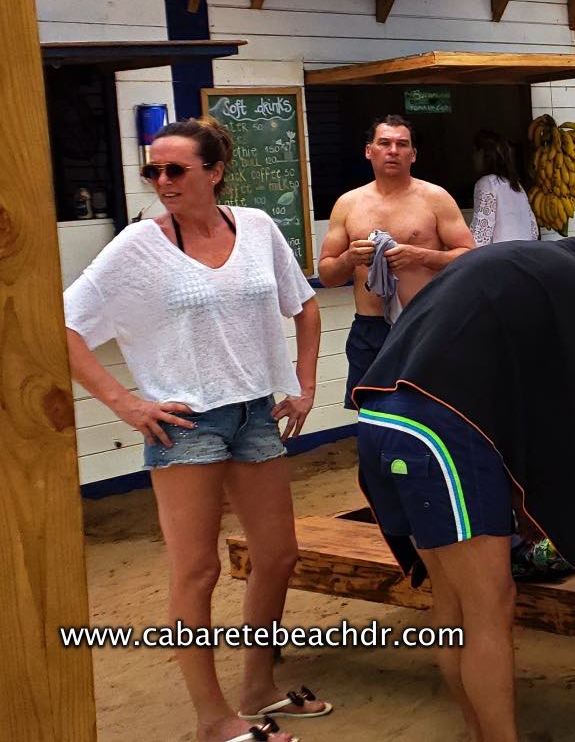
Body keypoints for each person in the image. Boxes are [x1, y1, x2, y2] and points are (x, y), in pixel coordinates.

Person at [63, 119, 327, 742]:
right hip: (186, 424)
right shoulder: (137, 246)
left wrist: (305, 384)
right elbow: (65, 325)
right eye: (151, 170)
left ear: (214, 171)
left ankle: (259, 688)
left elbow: (306, 303)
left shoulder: (257, 226)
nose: (160, 181)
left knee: (278, 554)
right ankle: (214, 720)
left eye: (174, 170)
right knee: (196, 572)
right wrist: (124, 402)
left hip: (256, 412)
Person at [353, 218, 575, 741]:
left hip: (380, 418)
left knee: (451, 606)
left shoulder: (513, 257)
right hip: (438, 435)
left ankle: (480, 732)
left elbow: (525, 395)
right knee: (490, 607)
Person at [318, 115, 476, 408]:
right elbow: (327, 274)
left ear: (413, 154)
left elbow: (469, 255)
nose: (393, 150)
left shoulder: (435, 198)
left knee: (430, 409)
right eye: (385, 143)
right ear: (369, 151)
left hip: (423, 321)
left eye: (402, 144)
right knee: (372, 414)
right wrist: (350, 258)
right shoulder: (349, 204)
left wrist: (421, 256)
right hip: (371, 327)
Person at [469, 128, 537, 246]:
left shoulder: (487, 184)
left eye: (475, 151)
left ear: (485, 154)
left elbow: (480, 237)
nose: (472, 157)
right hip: (525, 253)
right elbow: (534, 231)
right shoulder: (517, 186)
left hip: (502, 257)